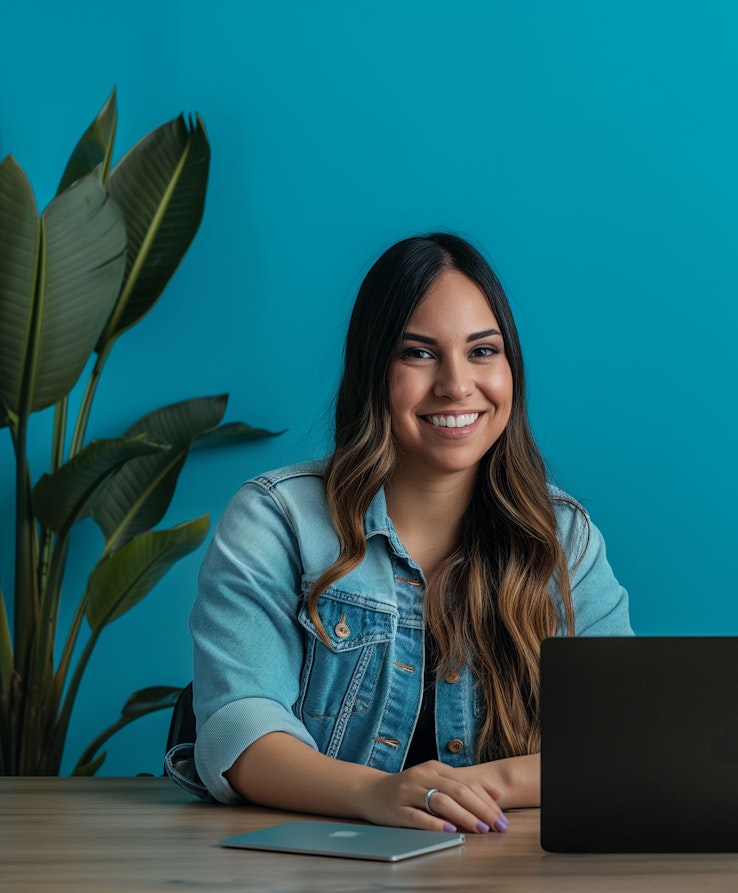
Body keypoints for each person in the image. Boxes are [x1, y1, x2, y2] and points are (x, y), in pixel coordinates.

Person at [168, 233, 632, 832]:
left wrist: (478, 787)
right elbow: (239, 730)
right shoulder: (276, 521)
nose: (456, 385)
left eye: (483, 351)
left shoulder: (562, 536)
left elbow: (625, 735)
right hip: (318, 869)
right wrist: (378, 794)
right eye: (418, 353)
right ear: (372, 369)